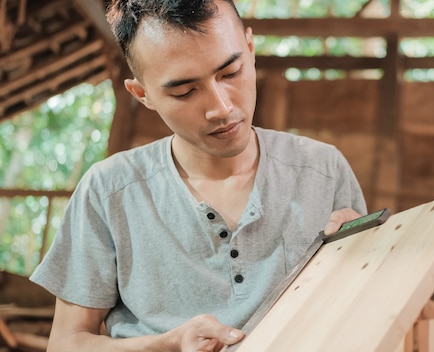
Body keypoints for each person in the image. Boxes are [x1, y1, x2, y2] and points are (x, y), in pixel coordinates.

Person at [29, 0, 367, 351]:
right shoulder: (109, 191)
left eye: (231, 73)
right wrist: (166, 345)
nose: (221, 108)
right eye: (184, 91)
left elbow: (360, 312)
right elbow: (66, 343)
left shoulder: (323, 170)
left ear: (250, 49)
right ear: (142, 94)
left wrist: (357, 264)